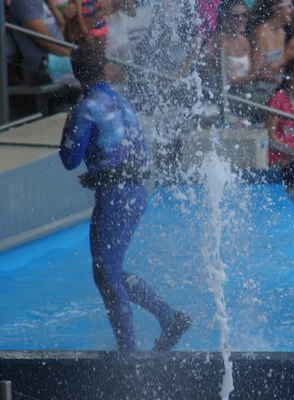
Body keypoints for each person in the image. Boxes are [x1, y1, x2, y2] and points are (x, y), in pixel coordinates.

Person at [59, 42, 192, 352]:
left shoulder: (87, 107)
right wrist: (99, 176)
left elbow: (69, 159)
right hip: (135, 193)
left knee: (105, 273)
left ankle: (129, 352)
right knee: (110, 270)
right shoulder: (122, 101)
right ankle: (169, 317)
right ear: (104, 66)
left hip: (115, 196)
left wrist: (68, 127)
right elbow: (131, 157)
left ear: (76, 70)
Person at [6, 0, 76, 84]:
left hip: (59, 59)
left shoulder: (41, 2)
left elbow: (57, 36)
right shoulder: (24, 2)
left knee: (92, 65)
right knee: (89, 68)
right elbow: (47, 43)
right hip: (43, 66)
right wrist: (76, 55)